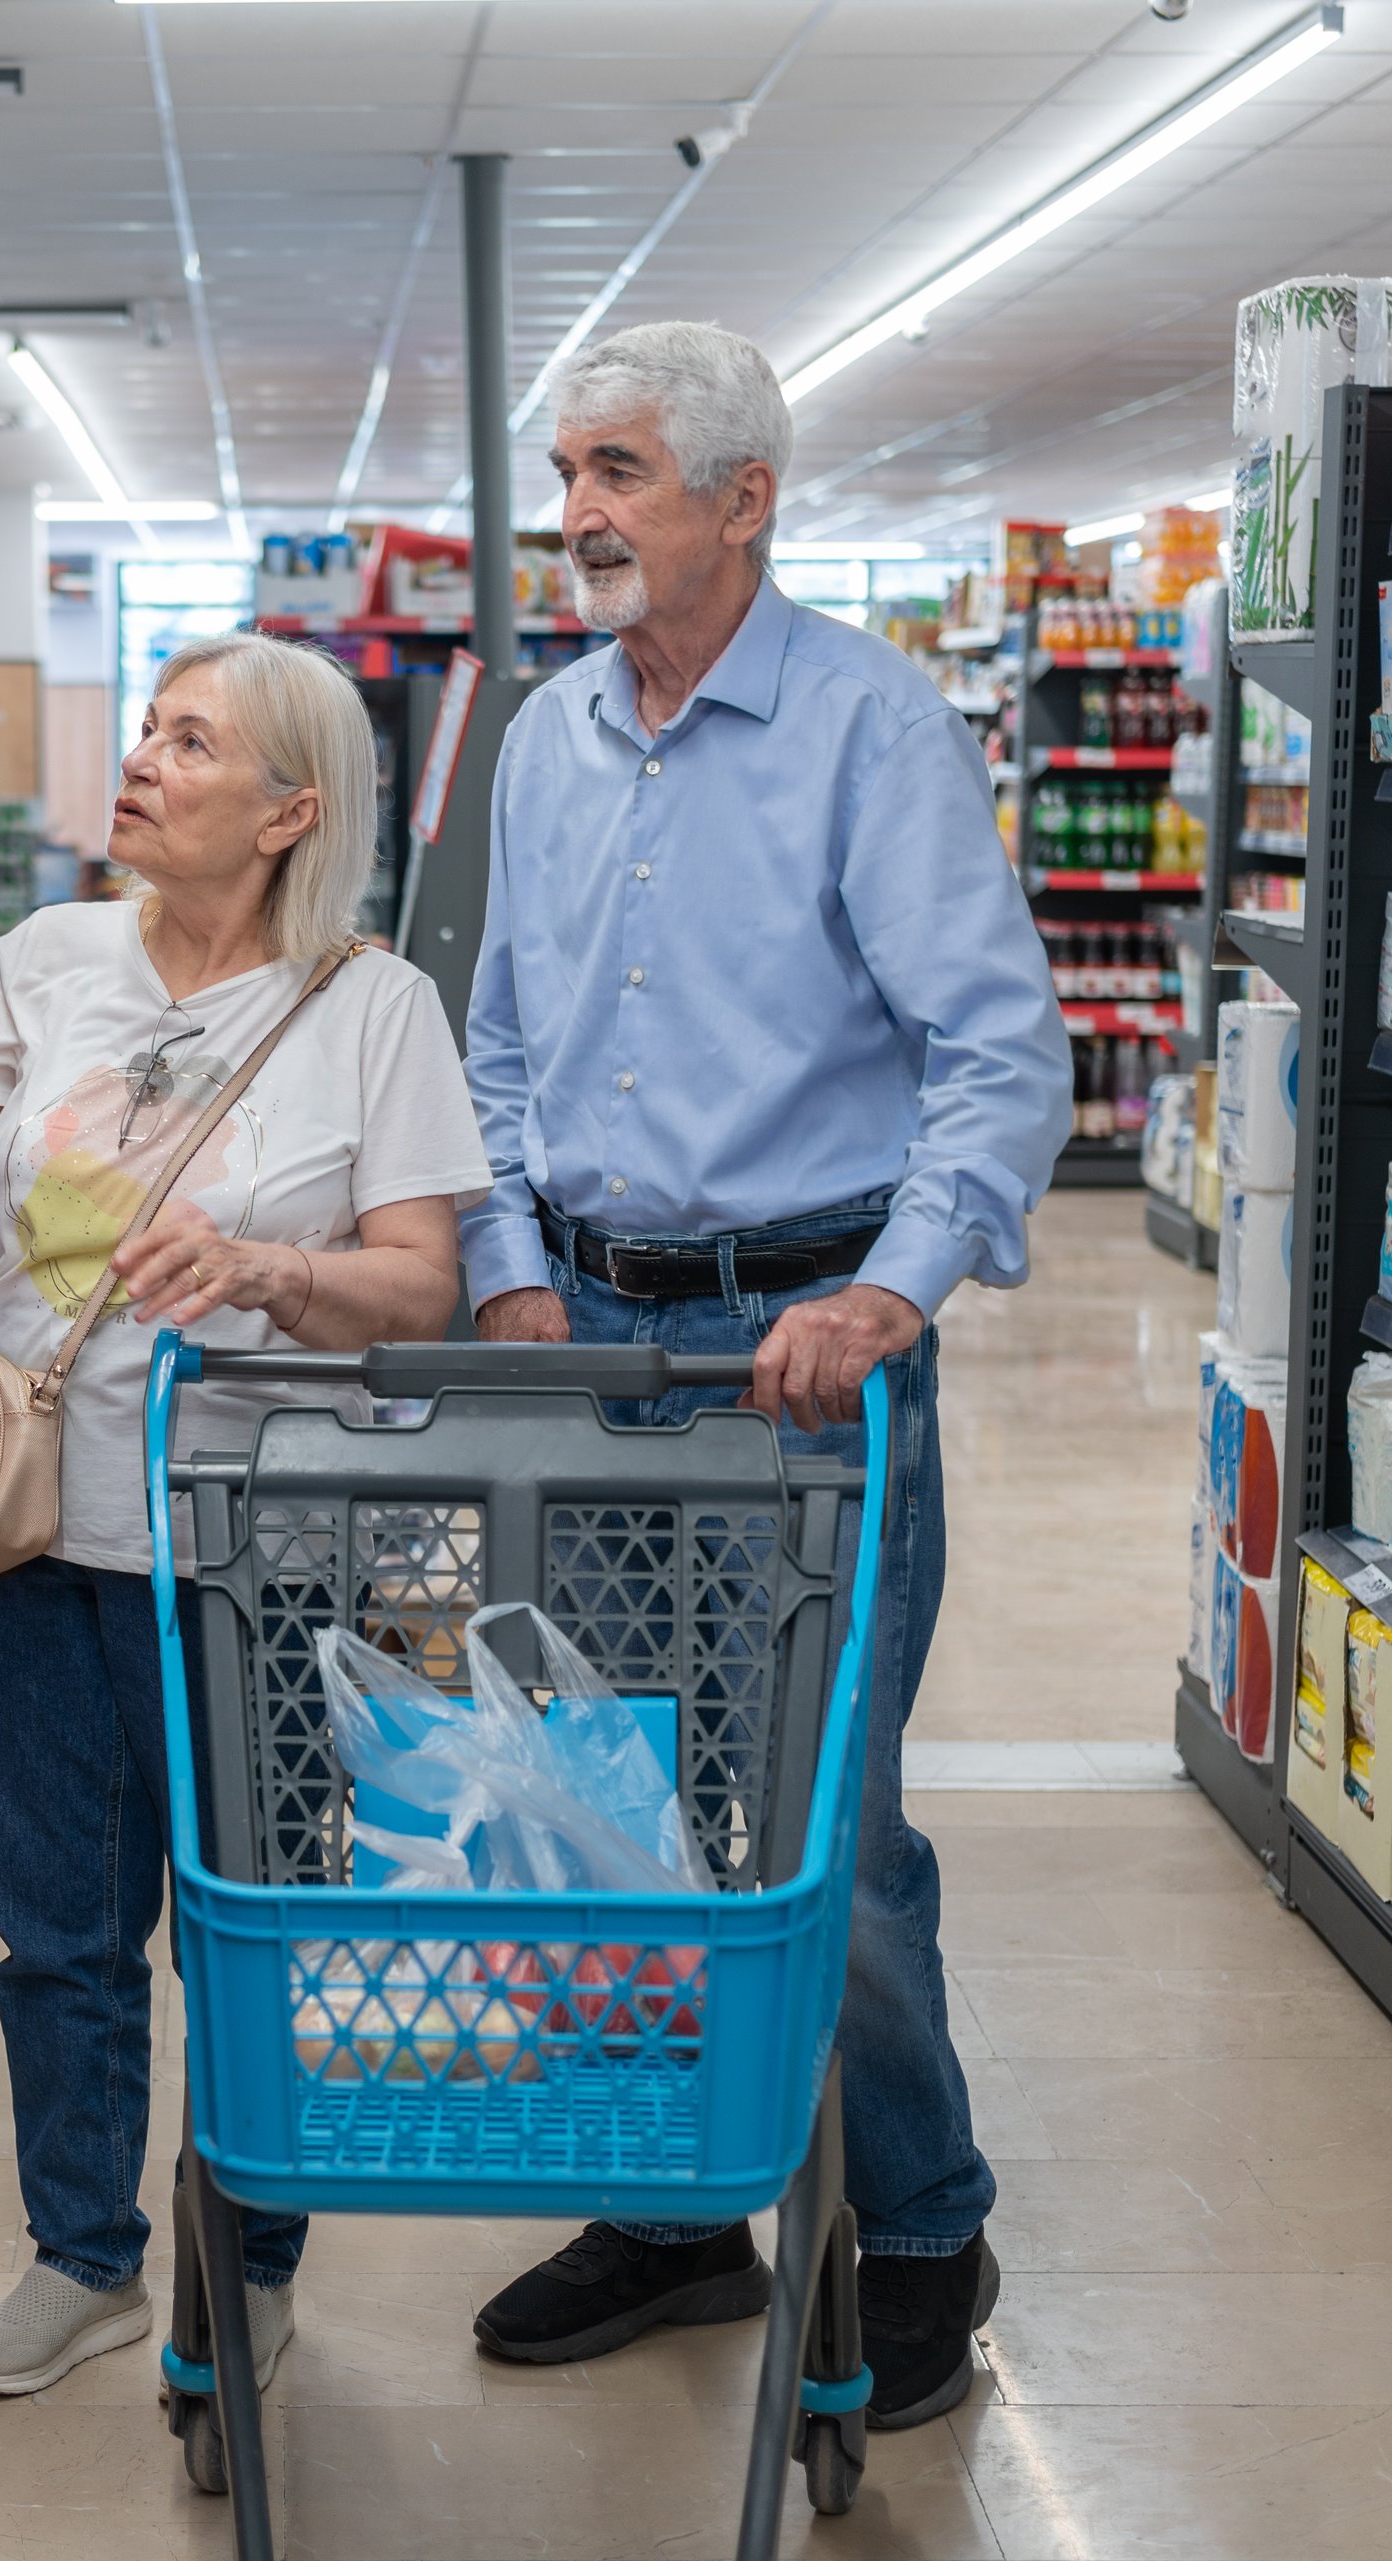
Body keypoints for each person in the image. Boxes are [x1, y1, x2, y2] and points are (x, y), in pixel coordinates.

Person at [456, 320, 1075, 2427]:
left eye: (620, 471)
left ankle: (921, 2232)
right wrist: (507, 1254)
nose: (581, 515)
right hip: (589, 1343)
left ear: (743, 499)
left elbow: (1001, 1054)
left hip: (802, 1356)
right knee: (608, 1791)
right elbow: (506, 1042)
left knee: (824, 1815)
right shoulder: (546, 739)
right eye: (569, 473)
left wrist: (892, 1294)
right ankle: (672, 2211)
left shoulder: (871, 734)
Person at [0, 631, 491, 2400]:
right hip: (40, 1525)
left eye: (193, 745)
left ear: (290, 811)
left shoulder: (371, 1007)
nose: (142, 764)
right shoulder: (47, 959)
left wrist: (268, 1267)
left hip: (261, 1547)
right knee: (57, 1927)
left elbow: (421, 1288)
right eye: (149, 731)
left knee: (256, 1917)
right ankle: (80, 2252)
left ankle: (247, 2255)